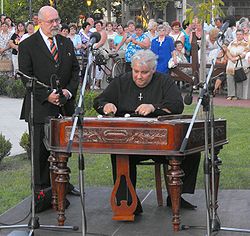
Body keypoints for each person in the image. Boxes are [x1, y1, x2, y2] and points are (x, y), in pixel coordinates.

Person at [93, 50, 200, 214]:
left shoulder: (164, 81)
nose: (139, 76)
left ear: (153, 70)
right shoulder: (122, 81)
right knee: (119, 153)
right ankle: (128, 202)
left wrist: (153, 108)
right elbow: (99, 101)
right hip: (128, 142)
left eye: (144, 72)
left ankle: (176, 195)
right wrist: (106, 105)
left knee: (190, 150)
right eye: (136, 71)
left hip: (161, 143)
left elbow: (177, 106)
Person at [18, 6, 80, 211]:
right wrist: (47, 96)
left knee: (63, 151)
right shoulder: (27, 45)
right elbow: (26, 78)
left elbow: (74, 71)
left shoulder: (66, 42)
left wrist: (69, 93)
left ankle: (63, 184)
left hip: (65, 107)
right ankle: (42, 193)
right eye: (51, 21)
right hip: (40, 109)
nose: (56, 24)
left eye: (57, 20)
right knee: (41, 154)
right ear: (40, 21)